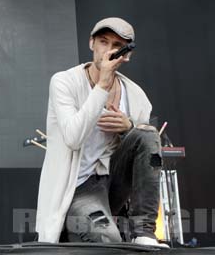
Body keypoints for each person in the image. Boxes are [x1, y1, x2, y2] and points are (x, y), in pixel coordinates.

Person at [35, 17, 167, 248]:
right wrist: (102, 86)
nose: (108, 50)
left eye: (116, 45)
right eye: (103, 42)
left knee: (146, 133)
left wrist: (128, 129)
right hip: (79, 187)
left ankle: (144, 233)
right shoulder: (64, 82)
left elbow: (144, 155)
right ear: (91, 44)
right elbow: (73, 139)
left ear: (126, 54)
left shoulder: (136, 96)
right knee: (108, 242)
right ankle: (74, 229)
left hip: (113, 183)